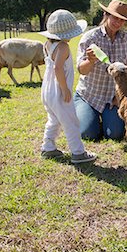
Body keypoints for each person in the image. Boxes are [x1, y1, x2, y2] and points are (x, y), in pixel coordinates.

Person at [39, 9, 97, 164]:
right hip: (58, 90)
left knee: (54, 119)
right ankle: (78, 153)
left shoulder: (48, 44)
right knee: (71, 121)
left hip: (47, 90)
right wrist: (65, 89)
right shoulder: (63, 47)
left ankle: (48, 147)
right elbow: (58, 68)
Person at [74, 0, 127, 141]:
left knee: (115, 135)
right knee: (88, 135)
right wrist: (90, 61)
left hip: (112, 98)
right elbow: (81, 70)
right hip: (89, 95)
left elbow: (125, 72)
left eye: (122, 20)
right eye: (115, 17)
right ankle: (88, 115)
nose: (118, 22)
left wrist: (119, 97)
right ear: (106, 14)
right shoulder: (90, 37)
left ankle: (100, 120)